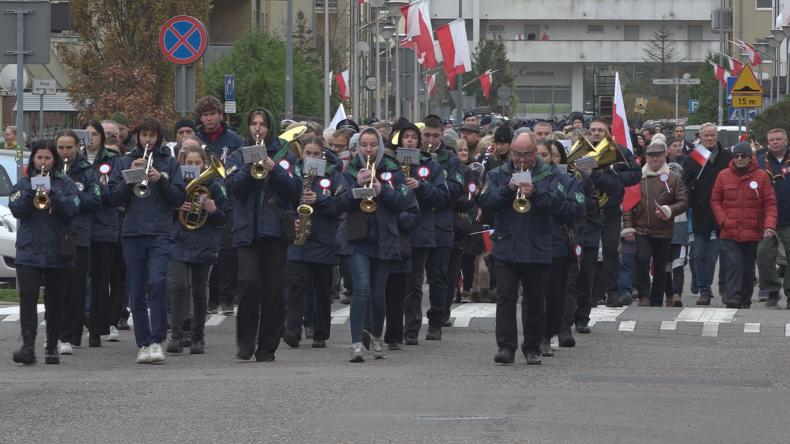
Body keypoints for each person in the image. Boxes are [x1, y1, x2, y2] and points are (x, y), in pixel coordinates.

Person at [479, 132, 565, 365]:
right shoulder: (498, 173)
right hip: (507, 244)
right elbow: (485, 204)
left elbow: (559, 205)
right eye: (517, 154)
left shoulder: (550, 173)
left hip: (537, 245)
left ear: (535, 153)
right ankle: (506, 347)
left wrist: (535, 194)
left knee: (535, 300)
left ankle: (532, 347)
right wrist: (507, 190)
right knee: (505, 297)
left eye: (526, 154)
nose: (521, 160)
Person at [109, 117, 186, 364]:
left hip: (160, 231)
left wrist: (159, 179)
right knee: (136, 290)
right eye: (144, 135)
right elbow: (112, 198)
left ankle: (157, 340)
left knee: (157, 283)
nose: (148, 140)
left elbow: (177, 198)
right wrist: (130, 176)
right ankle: (143, 343)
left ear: (159, 137)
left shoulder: (169, 163)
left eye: (152, 135)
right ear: (137, 137)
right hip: (132, 232)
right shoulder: (123, 161)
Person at [225, 115, 302, 363]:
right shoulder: (238, 154)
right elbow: (234, 189)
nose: (258, 128)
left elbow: (295, 191)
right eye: (254, 124)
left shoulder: (285, 156)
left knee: (272, 289)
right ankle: (245, 342)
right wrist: (250, 166)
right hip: (247, 229)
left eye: (262, 124)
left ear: (268, 129)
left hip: (275, 230)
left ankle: (267, 347)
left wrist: (274, 168)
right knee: (248, 283)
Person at [335, 128, 410, 362]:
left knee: (378, 295)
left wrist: (383, 190)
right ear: (358, 148)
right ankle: (357, 343)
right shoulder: (349, 171)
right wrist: (356, 189)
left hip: (384, 238)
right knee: (362, 288)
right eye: (364, 145)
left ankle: (377, 337)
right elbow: (337, 204)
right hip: (357, 239)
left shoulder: (393, 169)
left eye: (373, 145)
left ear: (379, 146)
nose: (368, 149)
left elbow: (404, 203)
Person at [10, 142, 80, 365]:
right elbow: (17, 209)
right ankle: (28, 346)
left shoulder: (65, 183)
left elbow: (73, 210)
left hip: (57, 250)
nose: (43, 162)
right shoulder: (23, 182)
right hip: (29, 249)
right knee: (28, 297)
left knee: (56, 301)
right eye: (39, 158)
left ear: (54, 160)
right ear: (33, 160)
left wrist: (54, 195)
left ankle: (52, 347)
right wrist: (33, 189)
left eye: (47, 158)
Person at [282, 137, 344, 349]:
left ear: (322, 155)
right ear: (302, 155)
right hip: (299, 238)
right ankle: (292, 329)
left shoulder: (333, 175)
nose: (312, 157)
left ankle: (320, 332)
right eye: (308, 153)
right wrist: (292, 220)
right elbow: (283, 201)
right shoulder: (293, 175)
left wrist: (320, 200)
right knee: (296, 284)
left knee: (321, 288)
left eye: (316, 154)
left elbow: (340, 204)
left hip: (324, 238)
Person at [166, 142, 228, 354]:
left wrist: (212, 209)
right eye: (189, 163)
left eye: (197, 163)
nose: (193, 166)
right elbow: (166, 210)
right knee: (179, 286)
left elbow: (223, 218)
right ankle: (175, 334)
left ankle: (197, 336)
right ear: (183, 164)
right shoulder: (177, 186)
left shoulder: (214, 186)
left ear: (204, 165)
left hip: (204, 242)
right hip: (179, 240)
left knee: (200, 291)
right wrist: (176, 207)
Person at [582, 117, 641, 307]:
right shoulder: (582, 150)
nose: (596, 133)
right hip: (588, 212)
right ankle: (591, 293)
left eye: (600, 130)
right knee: (589, 253)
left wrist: (613, 176)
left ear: (608, 132)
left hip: (611, 210)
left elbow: (635, 174)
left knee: (610, 251)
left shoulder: (620, 152)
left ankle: (612, 293)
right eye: (593, 130)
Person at [621, 141, 688, 307]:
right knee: (642, 261)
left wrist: (668, 210)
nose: (654, 159)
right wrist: (628, 226)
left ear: (664, 156)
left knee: (661, 265)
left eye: (658, 156)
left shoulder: (673, 179)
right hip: (642, 229)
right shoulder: (638, 179)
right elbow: (628, 205)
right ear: (646, 158)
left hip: (664, 231)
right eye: (651, 156)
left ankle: (657, 298)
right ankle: (644, 295)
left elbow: (683, 201)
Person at [711, 141, 777, 309]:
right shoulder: (723, 175)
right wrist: (723, 220)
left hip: (752, 231)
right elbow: (715, 201)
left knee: (748, 268)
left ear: (750, 158)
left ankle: (745, 299)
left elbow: (770, 203)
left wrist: (769, 225)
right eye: (737, 156)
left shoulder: (761, 176)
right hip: (730, 230)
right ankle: (733, 297)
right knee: (733, 264)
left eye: (743, 156)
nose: (739, 159)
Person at [418, 115, 465, 340]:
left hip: (441, 223)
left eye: (435, 136)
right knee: (413, 278)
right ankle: (411, 324)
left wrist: (439, 175)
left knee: (438, 275)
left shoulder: (451, 159)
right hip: (418, 222)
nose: (431, 140)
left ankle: (436, 321)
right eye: (426, 135)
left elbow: (456, 189)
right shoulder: (413, 157)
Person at [57, 129, 102, 352]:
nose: (65, 152)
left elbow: (95, 201)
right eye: (61, 148)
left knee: (75, 287)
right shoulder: (50, 169)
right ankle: (56, 332)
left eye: (69, 147)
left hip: (78, 234)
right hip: (54, 233)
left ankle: (70, 336)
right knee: (57, 286)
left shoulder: (86, 171)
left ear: (76, 147)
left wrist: (72, 193)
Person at [682, 123, 733, 305]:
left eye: (712, 135)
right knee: (700, 254)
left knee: (725, 255)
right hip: (700, 213)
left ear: (716, 136)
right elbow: (685, 186)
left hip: (724, 213)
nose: (710, 139)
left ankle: (725, 289)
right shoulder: (692, 159)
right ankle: (704, 290)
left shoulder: (728, 157)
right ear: (700, 137)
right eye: (706, 136)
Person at [757, 129, 790, 307]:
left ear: (786, 140)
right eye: (772, 140)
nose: (775, 142)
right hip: (767, 219)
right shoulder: (761, 161)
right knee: (763, 255)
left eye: (779, 139)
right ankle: (771, 290)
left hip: (789, 216)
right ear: (767, 142)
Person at [194, 95, 243, 161]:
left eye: (212, 114)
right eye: (205, 115)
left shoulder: (235, 140)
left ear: (221, 115)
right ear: (201, 118)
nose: (209, 118)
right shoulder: (195, 138)